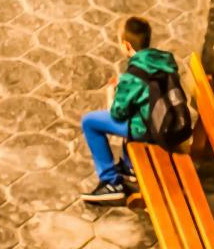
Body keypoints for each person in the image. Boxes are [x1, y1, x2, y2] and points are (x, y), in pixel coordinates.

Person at [76, 15, 188, 204]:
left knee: (90, 122)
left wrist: (111, 93)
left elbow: (117, 113)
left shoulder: (133, 76)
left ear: (127, 46)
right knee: (135, 111)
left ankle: (111, 182)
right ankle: (129, 166)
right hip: (169, 119)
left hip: (150, 129)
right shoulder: (164, 61)